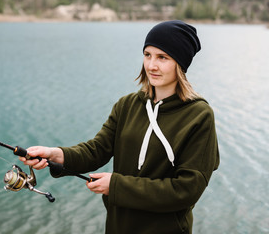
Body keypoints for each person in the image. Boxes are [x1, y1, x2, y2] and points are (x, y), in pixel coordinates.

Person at [19, 20, 220, 234]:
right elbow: (96, 150)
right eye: (147, 55)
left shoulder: (199, 116)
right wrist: (54, 154)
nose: (152, 65)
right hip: (118, 226)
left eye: (163, 57)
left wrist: (116, 186)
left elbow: (186, 190)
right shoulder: (128, 105)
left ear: (180, 63)